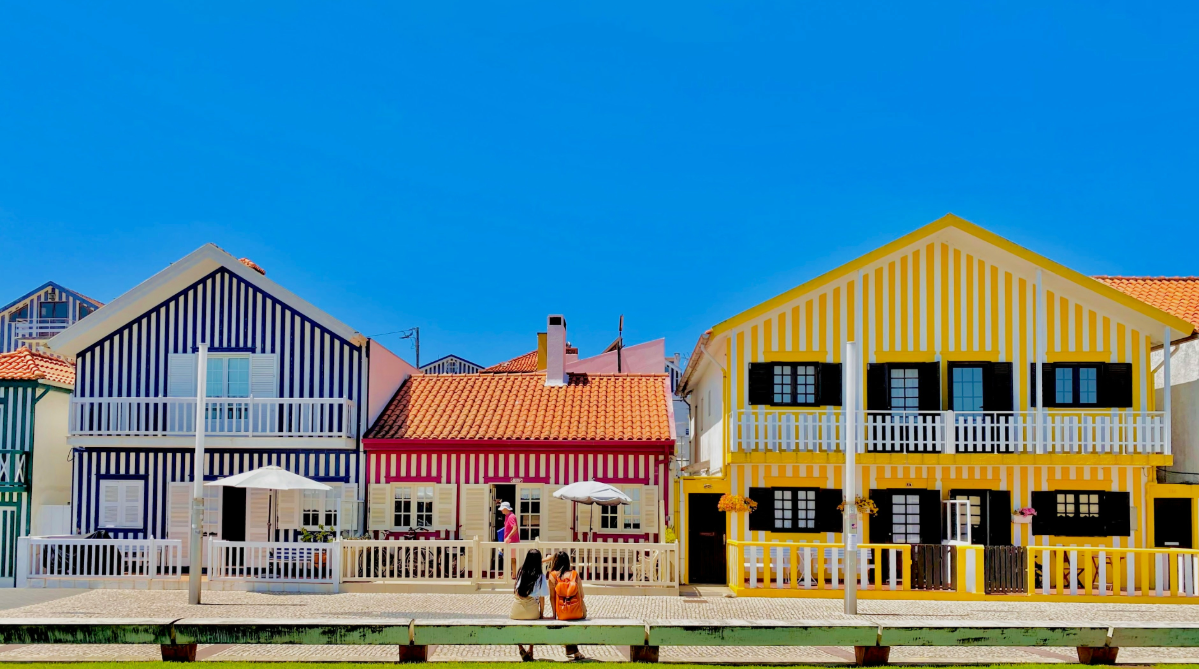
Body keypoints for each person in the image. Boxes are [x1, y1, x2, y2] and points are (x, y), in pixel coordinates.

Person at [547, 550, 586, 660]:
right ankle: (575, 651)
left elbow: (552, 598)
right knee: (572, 621)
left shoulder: (552, 576)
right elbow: (582, 595)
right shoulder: (575, 574)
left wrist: (554, 615)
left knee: (566, 621)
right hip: (578, 612)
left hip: (562, 613)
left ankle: (571, 648)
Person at [510, 549, 548, 662]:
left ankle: (520, 647)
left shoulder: (521, 571)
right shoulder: (540, 576)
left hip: (516, 609)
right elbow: (542, 598)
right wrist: (541, 613)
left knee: (515, 626)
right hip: (532, 610)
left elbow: (515, 590)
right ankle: (531, 649)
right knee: (534, 625)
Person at [500, 501, 519, 574]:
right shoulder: (507, 516)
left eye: (502, 509)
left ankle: (513, 574)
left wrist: (508, 537)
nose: (501, 510)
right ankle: (511, 574)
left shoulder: (511, 516)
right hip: (509, 541)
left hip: (512, 541)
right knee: (509, 558)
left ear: (505, 508)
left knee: (512, 559)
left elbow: (515, 528)